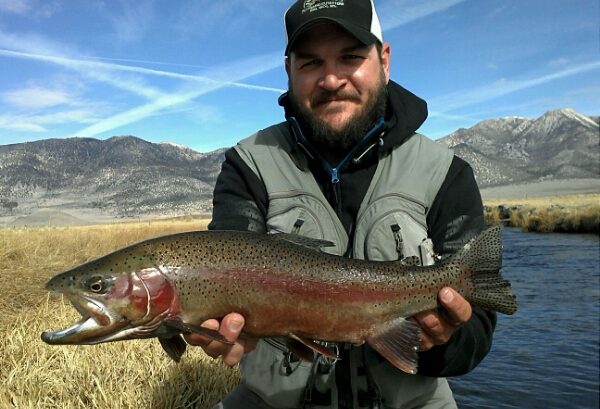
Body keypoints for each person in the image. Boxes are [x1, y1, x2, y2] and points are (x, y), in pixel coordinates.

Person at [185, 1, 496, 408]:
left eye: (350, 57)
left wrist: (441, 340)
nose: (331, 79)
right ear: (289, 71)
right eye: (311, 62)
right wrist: (218, 327)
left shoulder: (445, 173)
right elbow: (227, 264)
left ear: (384, 61)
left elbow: (480, 329)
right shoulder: (249, 164)